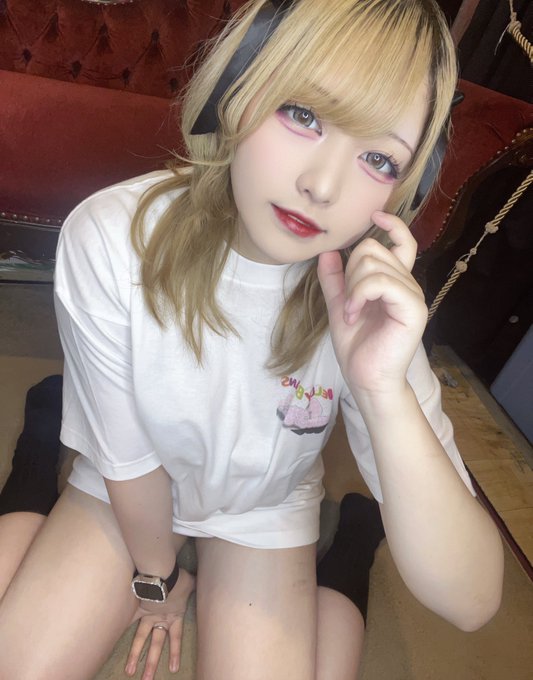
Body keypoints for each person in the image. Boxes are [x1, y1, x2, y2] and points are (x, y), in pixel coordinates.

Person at [0, 1, 504, 679]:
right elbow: (128, 465)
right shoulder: (113, 237)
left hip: (263, 509)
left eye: (379, 159)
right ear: (239, 86)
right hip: (126, 483)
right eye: (303, 114)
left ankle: (352, 546)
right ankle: (39, 452)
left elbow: (471, 602)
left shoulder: (367, 307)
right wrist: (157, 581)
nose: (321, 186)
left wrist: (382, 389)